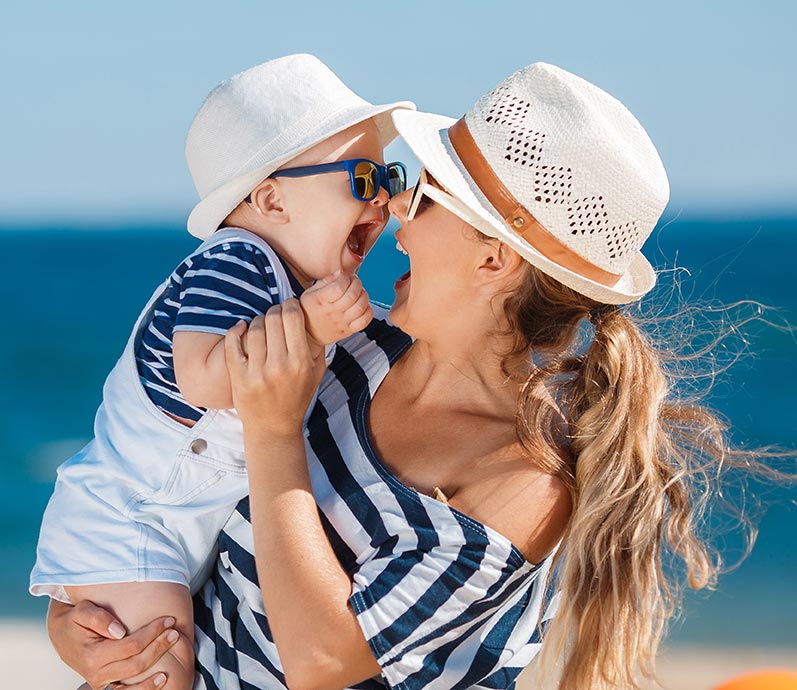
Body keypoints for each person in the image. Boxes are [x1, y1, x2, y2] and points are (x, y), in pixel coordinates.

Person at [48, 61, 760, 690]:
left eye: (419, 196)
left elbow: (324, 663)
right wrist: (78, 626)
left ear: (493, 262)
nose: (393, 214)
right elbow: (164, 496)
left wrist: (273, 433)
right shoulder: (349, 348)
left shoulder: (520, 481)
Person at [31, 53, 413, 690]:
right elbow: (203, 378)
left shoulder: (289, 281)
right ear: (269, 198)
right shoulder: (240, 258)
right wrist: (312, 329)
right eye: (363, 178)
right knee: (156, 670)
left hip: (175, 523)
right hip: (133, 516)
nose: (385, 200)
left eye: (391, 176)